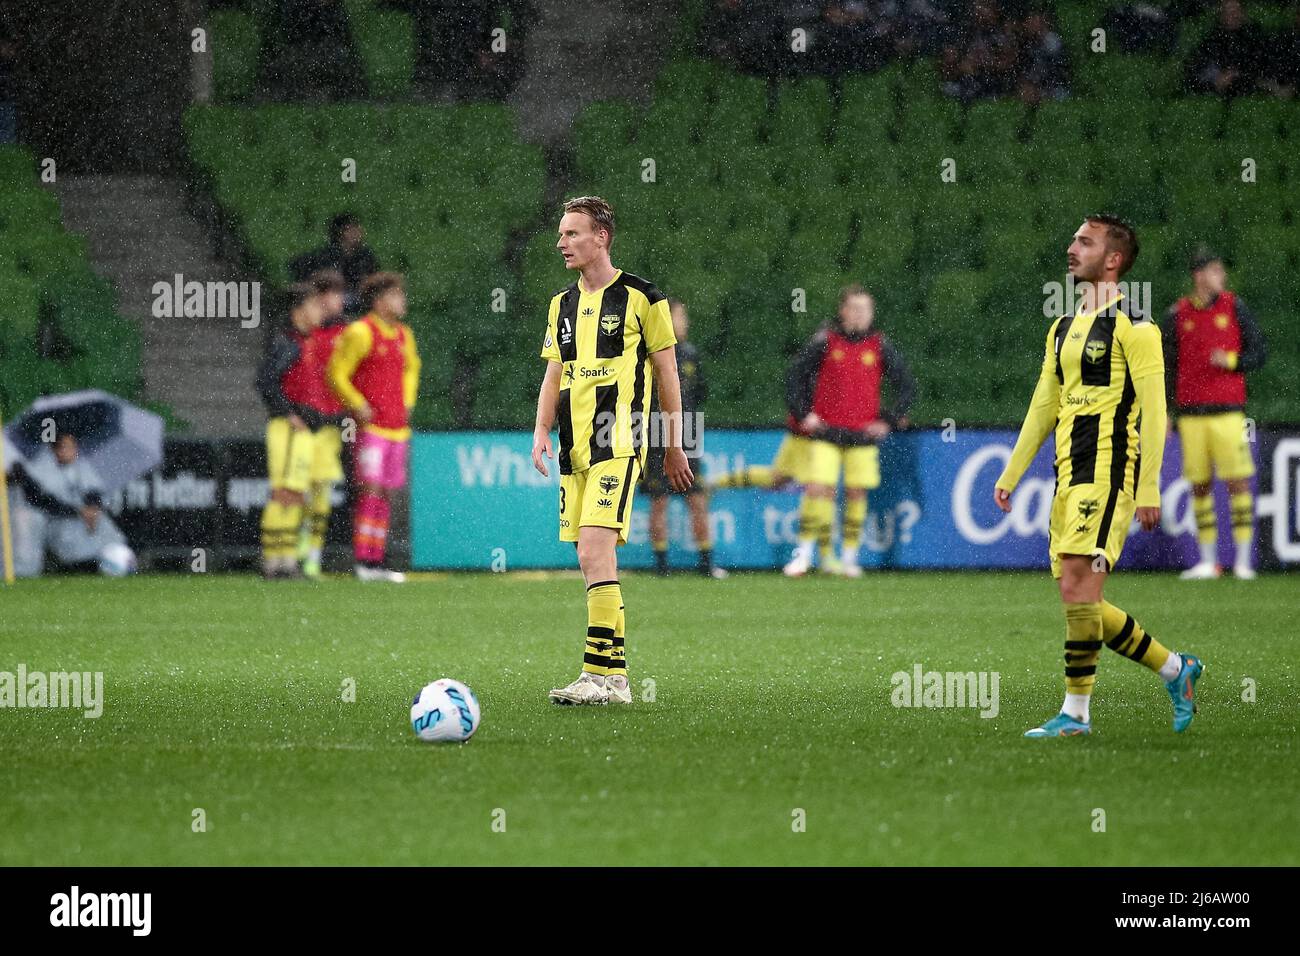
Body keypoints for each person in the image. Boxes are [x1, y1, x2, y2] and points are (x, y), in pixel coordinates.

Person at [994, 214, 1203, 739]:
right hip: (1068, 473)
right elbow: (1046, 402)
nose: (1072, 248)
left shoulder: (1136, 327)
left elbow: (1156, 413)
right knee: (1077, 594)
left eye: (1085, 242)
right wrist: (1013, 471)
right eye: (1073, 239)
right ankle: (1177, 670)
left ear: (1113, 260)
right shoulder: (1062, 327)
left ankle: (1076, 715)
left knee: (1080, 589)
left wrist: (1150, 485)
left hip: (1109, 471)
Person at [531, 196, 690, 706]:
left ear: (601, 236)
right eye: (560, 234)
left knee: (594, 551)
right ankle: (616, 680)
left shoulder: (644, 297)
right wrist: (541, 430)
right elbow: (554, 371)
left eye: (572, 233)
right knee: (594, 564)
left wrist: (674, 441)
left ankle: (595, 676)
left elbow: (666, 371)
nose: (562, 243)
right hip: (573, 447)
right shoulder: (562, 305)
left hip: (617, 439)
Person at [783, 284, 915, 578]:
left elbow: (907, 386)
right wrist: (804, 414)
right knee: (818, 488)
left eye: (865, 309)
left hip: (862, 436)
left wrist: (889, 420)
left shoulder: (879, 345)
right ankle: (803, 555)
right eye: (854, 309)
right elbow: (794, 376)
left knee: (856, 494)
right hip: (826, 432)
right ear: (842, 311)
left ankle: (850, 559)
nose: (859, 315)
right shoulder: (825, 341)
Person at [1163, 247, 1267, 580]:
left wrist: (1233, 361)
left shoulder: (1234, 307)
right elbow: (1167, 368)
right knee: (1199, 486)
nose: (1221, 277)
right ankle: (1208, 561)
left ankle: (1243, 561)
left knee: (1237, 483)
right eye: (1215, 271)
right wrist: (1166, 412)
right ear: (1199, 276)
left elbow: (1259, 351)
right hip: (1191, 414)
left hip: (1228, 413)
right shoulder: (1177, 315)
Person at [327, 272, 421, 582]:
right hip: (371, 428)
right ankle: (364, 561)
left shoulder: (403, 334)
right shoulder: (360, 332)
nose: (402, 301)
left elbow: (411, 369)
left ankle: (376, 560)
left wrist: (407, 399)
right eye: (396, 296)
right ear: (380, 301)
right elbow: (337, 373)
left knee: (387, 494)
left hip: (397, 428)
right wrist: (358, 403)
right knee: (371, 490)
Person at [642, 298, 725, 578]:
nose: (682, 322)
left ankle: (706, 563)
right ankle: (662, 566)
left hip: (686, 435)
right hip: (656, 435)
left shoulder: (690, 355)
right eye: (677, 317)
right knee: (659, 501)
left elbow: (700, 393)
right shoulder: (649, 354)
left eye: (683, 317)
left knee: (697, 499)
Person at [255, 282, 327, 579]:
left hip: (303, 429)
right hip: (286, 428)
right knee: (282, 493)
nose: (319, 311)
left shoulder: (307, 341)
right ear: (298, 310)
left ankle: (286, 559)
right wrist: (288, 413)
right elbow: (265, 381)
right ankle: (272, 561)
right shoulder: (286, 342)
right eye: (314, 306)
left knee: (296, 494)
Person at [5, 432, 134, 577]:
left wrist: (91, 508)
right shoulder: (43, 469)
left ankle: (115, 563)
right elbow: (45, 501)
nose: (71, 451)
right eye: (66, 447)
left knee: (106, 529)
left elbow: (93, 490)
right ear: (56, 450)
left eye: (73, 447)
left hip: (85, 517)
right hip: (59, 520)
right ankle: (85, 567)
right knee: (71, 536)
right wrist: (77, 511)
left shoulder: (82, 467)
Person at [296, 269, 350, 579]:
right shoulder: (303, 333)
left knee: (321, 493)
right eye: (334, 293)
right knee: (298, 490)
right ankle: (291, 553)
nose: (340, 300)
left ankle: (313, 556)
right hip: (304, 423)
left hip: (330, 424)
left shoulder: (346, 333)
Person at [289, 212, 380, 313]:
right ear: (342, 232)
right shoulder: (327, 255)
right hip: (335, 296)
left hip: (356, 296)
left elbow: (373, 278)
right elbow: (301, 268)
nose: (359, 232)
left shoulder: (365, 255)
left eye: (358, 227)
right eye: (353, 228)